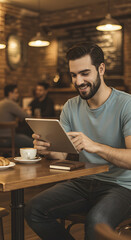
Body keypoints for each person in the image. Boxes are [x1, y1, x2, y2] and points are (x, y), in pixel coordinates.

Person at [25, 42, 131, 240]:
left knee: (96, 220)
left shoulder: (126, 104)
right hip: (83, 181)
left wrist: (95, 146)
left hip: (123, 187)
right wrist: (47, 149)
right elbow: (62, 154)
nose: (78, 81)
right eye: (73, 75)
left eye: (84, 73)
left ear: (101, 69)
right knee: (34, 209)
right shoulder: (71, 106)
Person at [0, 84, 33, 148]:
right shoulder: (10, 103)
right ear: (10, 93)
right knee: (33, 143)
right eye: (16, 92)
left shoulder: (2, 102)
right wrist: (28, 112)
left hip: (1, 138)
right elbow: (27, 116)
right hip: (8, 139)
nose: (18, 95)